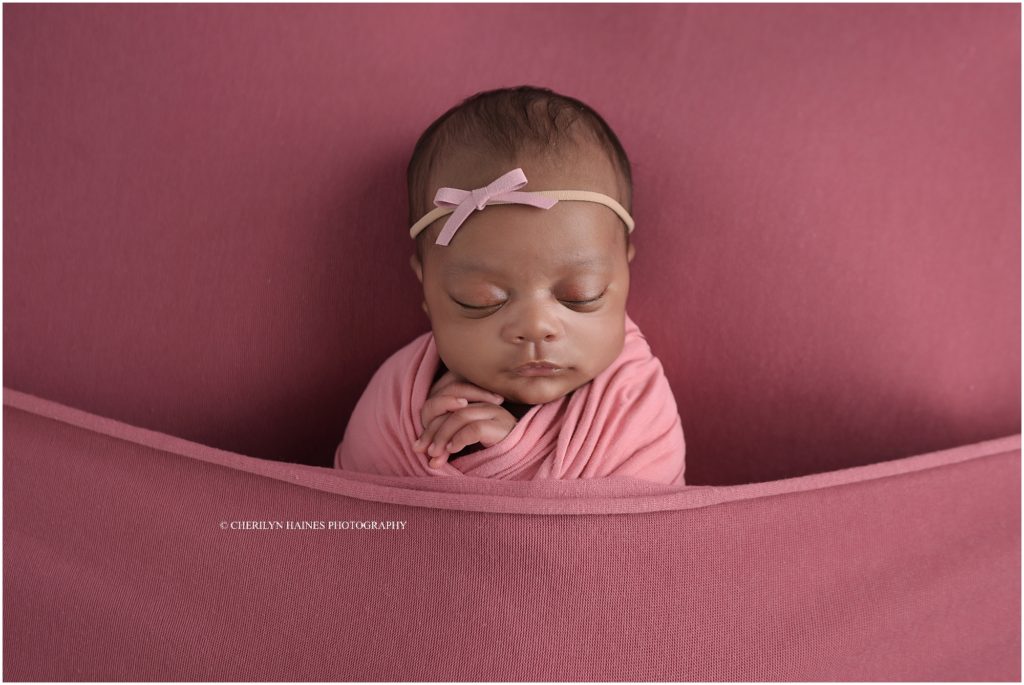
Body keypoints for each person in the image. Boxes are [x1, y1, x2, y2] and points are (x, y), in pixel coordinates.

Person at [335, 85, 686, 484]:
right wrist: (435, 448)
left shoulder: (634, 402)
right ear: (426, 289)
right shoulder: (396, 400)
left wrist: (510, 461)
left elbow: (642, 535)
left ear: (624, 275)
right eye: (480, 300)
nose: (536, 327)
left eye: (580, 295)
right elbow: (354, 521)